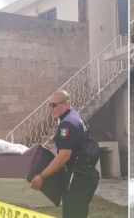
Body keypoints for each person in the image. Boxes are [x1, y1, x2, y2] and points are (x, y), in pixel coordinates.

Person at [30, 90, 99, 218]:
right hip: (86, 175)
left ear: (67, 103)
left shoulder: (66, 124)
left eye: (54, 105)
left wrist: (41, 176)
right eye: (50, 105)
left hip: (77, 179)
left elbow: (64, 156)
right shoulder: (76, 116)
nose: (51, 109)